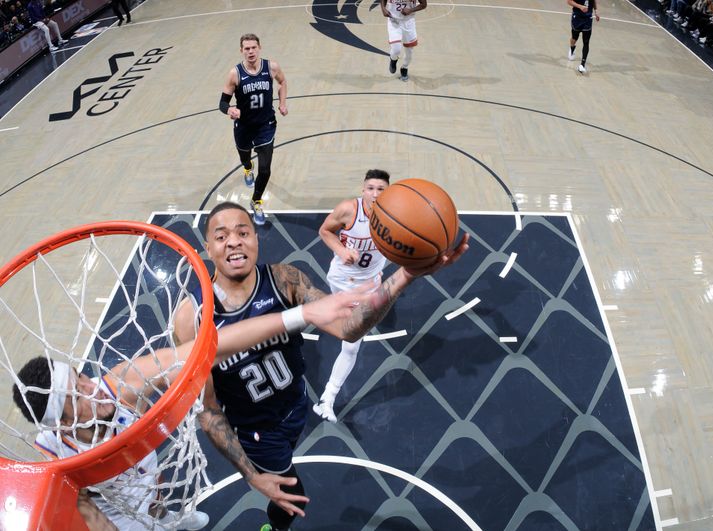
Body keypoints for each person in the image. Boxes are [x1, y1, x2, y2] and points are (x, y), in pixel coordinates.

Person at [174, 201, 468, 531]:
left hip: (297, 406)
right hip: (258, 431)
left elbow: (348, 327)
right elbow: (208, 408)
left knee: (289, 481)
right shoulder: (193, 317)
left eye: (243, 232)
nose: (233, 241)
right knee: (290, 499)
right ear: (208, 248)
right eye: (221, 235)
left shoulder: (285, 278)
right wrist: (252, 475)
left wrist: (405, 275)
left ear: (256, 239)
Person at [11, 281, 369, 530]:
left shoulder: (120, 385)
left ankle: (169, 517)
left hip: (146, 483)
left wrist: (302, 315)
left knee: (158, 494)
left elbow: (206, 349)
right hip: (121, 518)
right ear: (62, 424)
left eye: (82, 377)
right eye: (78, 397)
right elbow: (85, 507)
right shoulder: (58, 460)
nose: (94, 390)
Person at [313, 169, 390, 423]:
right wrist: (341, 248)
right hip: (343, 281)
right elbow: (325, 231)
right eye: (371, 188)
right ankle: (327, 399)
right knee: (352, 342)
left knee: (351, 341)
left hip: (370, 284)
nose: (375, 194)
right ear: (362, 189)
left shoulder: (397, 215)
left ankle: (327, 399)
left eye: (381, 188)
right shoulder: (349, 210)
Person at [219, 33, 288, 226]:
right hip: (244, 127)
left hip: (266, 126)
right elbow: (223, 102)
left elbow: (282, 82)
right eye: (246, 48)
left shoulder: (271, 67)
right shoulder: (235, 73)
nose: (250, 51)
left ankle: (256, 201)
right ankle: (247, 168)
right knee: (245, 158)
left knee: (265, 170)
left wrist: (283, 103)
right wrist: (230, 109)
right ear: (241, 51)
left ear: (259, 48)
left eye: (253, 47)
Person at [379, 0, 427, 82]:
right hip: (393, 20)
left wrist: (411, 10)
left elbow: (424, 4)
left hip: (408, 22)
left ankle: (404, 67)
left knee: (409, 52)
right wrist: (383, 8)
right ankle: (393, 59)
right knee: (396, 49)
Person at [567, 0, 600, 74]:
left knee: (586, 42)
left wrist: (596, 11)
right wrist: (580, 6)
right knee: (574, 38)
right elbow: (569, 1)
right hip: (577, 17)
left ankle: (582, 65)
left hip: (588, 18)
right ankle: (572, 48)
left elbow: (593, 1)